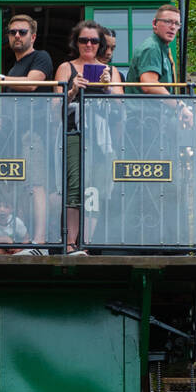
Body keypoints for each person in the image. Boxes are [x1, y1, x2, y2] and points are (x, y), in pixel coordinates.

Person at [54, 21, 122, 249]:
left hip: (102, 138)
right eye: (84, 40)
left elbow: (121, 107)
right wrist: (72, 90)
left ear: (101, 44)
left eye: (94, 40)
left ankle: (87, 243)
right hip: (75, 133)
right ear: (76, 42)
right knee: (74, 184)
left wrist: (107, 88)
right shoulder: (66, 68)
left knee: (95, 188)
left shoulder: (111, 72)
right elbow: (55, 108)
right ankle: (71, 243)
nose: (89, 44)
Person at [0, 14, 54, 247]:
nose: (17, 36)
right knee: (18, 186)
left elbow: (33, 83)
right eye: (13, 33)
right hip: (14, 132)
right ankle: (23, 240)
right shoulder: (13, 68)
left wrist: (1, 80)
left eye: (22, 32)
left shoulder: (40, 57)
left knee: (36, 184)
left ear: (33, 36)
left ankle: (39, 240)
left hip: (34, 131)